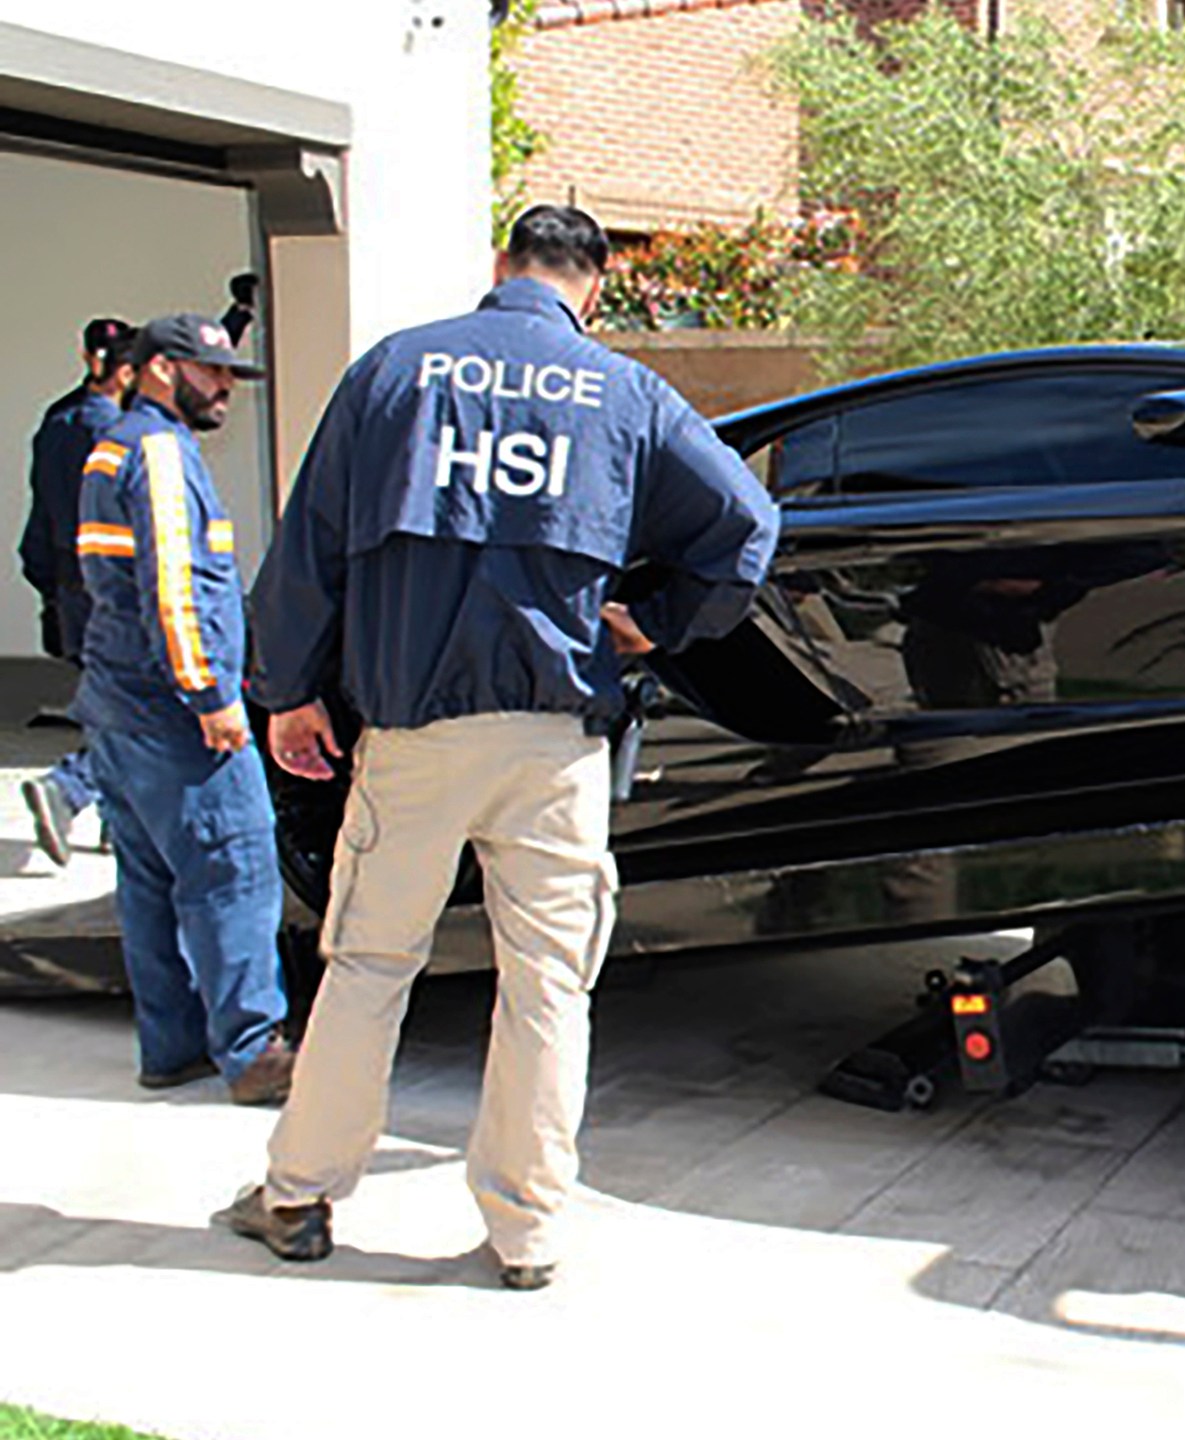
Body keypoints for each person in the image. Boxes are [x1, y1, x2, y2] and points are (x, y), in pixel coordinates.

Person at [219, 205, 778, 1289]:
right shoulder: (626, 392)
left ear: (498, 269)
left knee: (370, 966)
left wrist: (288, 692)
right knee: (547, 987)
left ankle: (298, 1196)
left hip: (413, 735)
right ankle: (526, 1231)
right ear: (597, 288)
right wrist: (661, 623)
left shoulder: (393, 373)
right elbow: (746, 526)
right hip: (554, 743)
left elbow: (310, 547)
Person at [73, 314, 293, 1104]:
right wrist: (211, 696)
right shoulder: (161, 453)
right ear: (163, 369)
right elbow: (174, 585)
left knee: (149, 879)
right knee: (232, 868)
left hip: (117, 701)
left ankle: (168, 1045)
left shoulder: (114, 441)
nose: (227, 387)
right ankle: (252, 1050)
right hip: (173, 711)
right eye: (213, 372)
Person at [19, 319, 136, 865]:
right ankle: (68, 789)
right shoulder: (117, 434)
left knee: (110, 702)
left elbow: (38, 522)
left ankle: (119, 821)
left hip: (69, 590)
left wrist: (48, 589)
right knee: (137, 707)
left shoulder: (57, 422)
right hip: (112, 590)